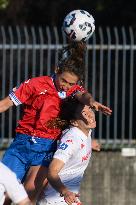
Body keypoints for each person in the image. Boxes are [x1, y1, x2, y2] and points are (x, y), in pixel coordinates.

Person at [0, 41, 112, 203]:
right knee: (5, 194)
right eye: (64, 81)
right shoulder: (35, 84)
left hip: (47, 148)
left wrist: (92, 102)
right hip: (22, 145)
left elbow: (83, 95)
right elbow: (5, 104)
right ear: (56, 71)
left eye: (72, 84)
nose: (67, 87)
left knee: (29, 193)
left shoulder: (73, 90)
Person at [37, 96, 96, 205]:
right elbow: (52, 172)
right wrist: (65, 192)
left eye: (90, 109)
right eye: (84, 113)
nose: (90, 114)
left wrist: (92, 144)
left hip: (70, 198)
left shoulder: (85, 130)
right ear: (74, 122)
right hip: (56, 199)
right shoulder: (71, 140)